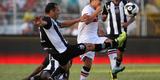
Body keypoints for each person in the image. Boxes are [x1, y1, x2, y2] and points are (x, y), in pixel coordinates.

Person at [34, 2, 126, 80]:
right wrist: (41, 23)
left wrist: (78, 19)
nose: (59, 12)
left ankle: (41, 78)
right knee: (89, 47)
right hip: (65, 50)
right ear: (52, 11)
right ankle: (115, 43)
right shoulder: (47, 19)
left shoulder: (53, 21)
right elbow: (44, 23)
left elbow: (62, 24)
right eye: (57, 10)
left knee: (65, 67)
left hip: (59, 53)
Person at [102, 0, 136, 80]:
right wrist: (103, 17)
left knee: (120, 55)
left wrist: (127, 24)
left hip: (122, 33)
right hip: (111, 33)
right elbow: (103, 17)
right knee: (112, 53)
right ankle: (114, 76)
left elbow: (133, 17)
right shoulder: (107, 5)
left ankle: (115, 68)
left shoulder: (125, 3)